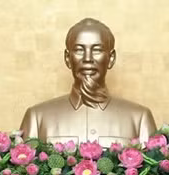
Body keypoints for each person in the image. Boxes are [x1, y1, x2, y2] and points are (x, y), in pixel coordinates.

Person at [19, 18, 157, 146]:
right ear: (68, 58)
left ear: (111, 58)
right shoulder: (37, 118)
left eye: (97, 50)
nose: (87, 58)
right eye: (79, 50)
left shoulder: (139, 119)